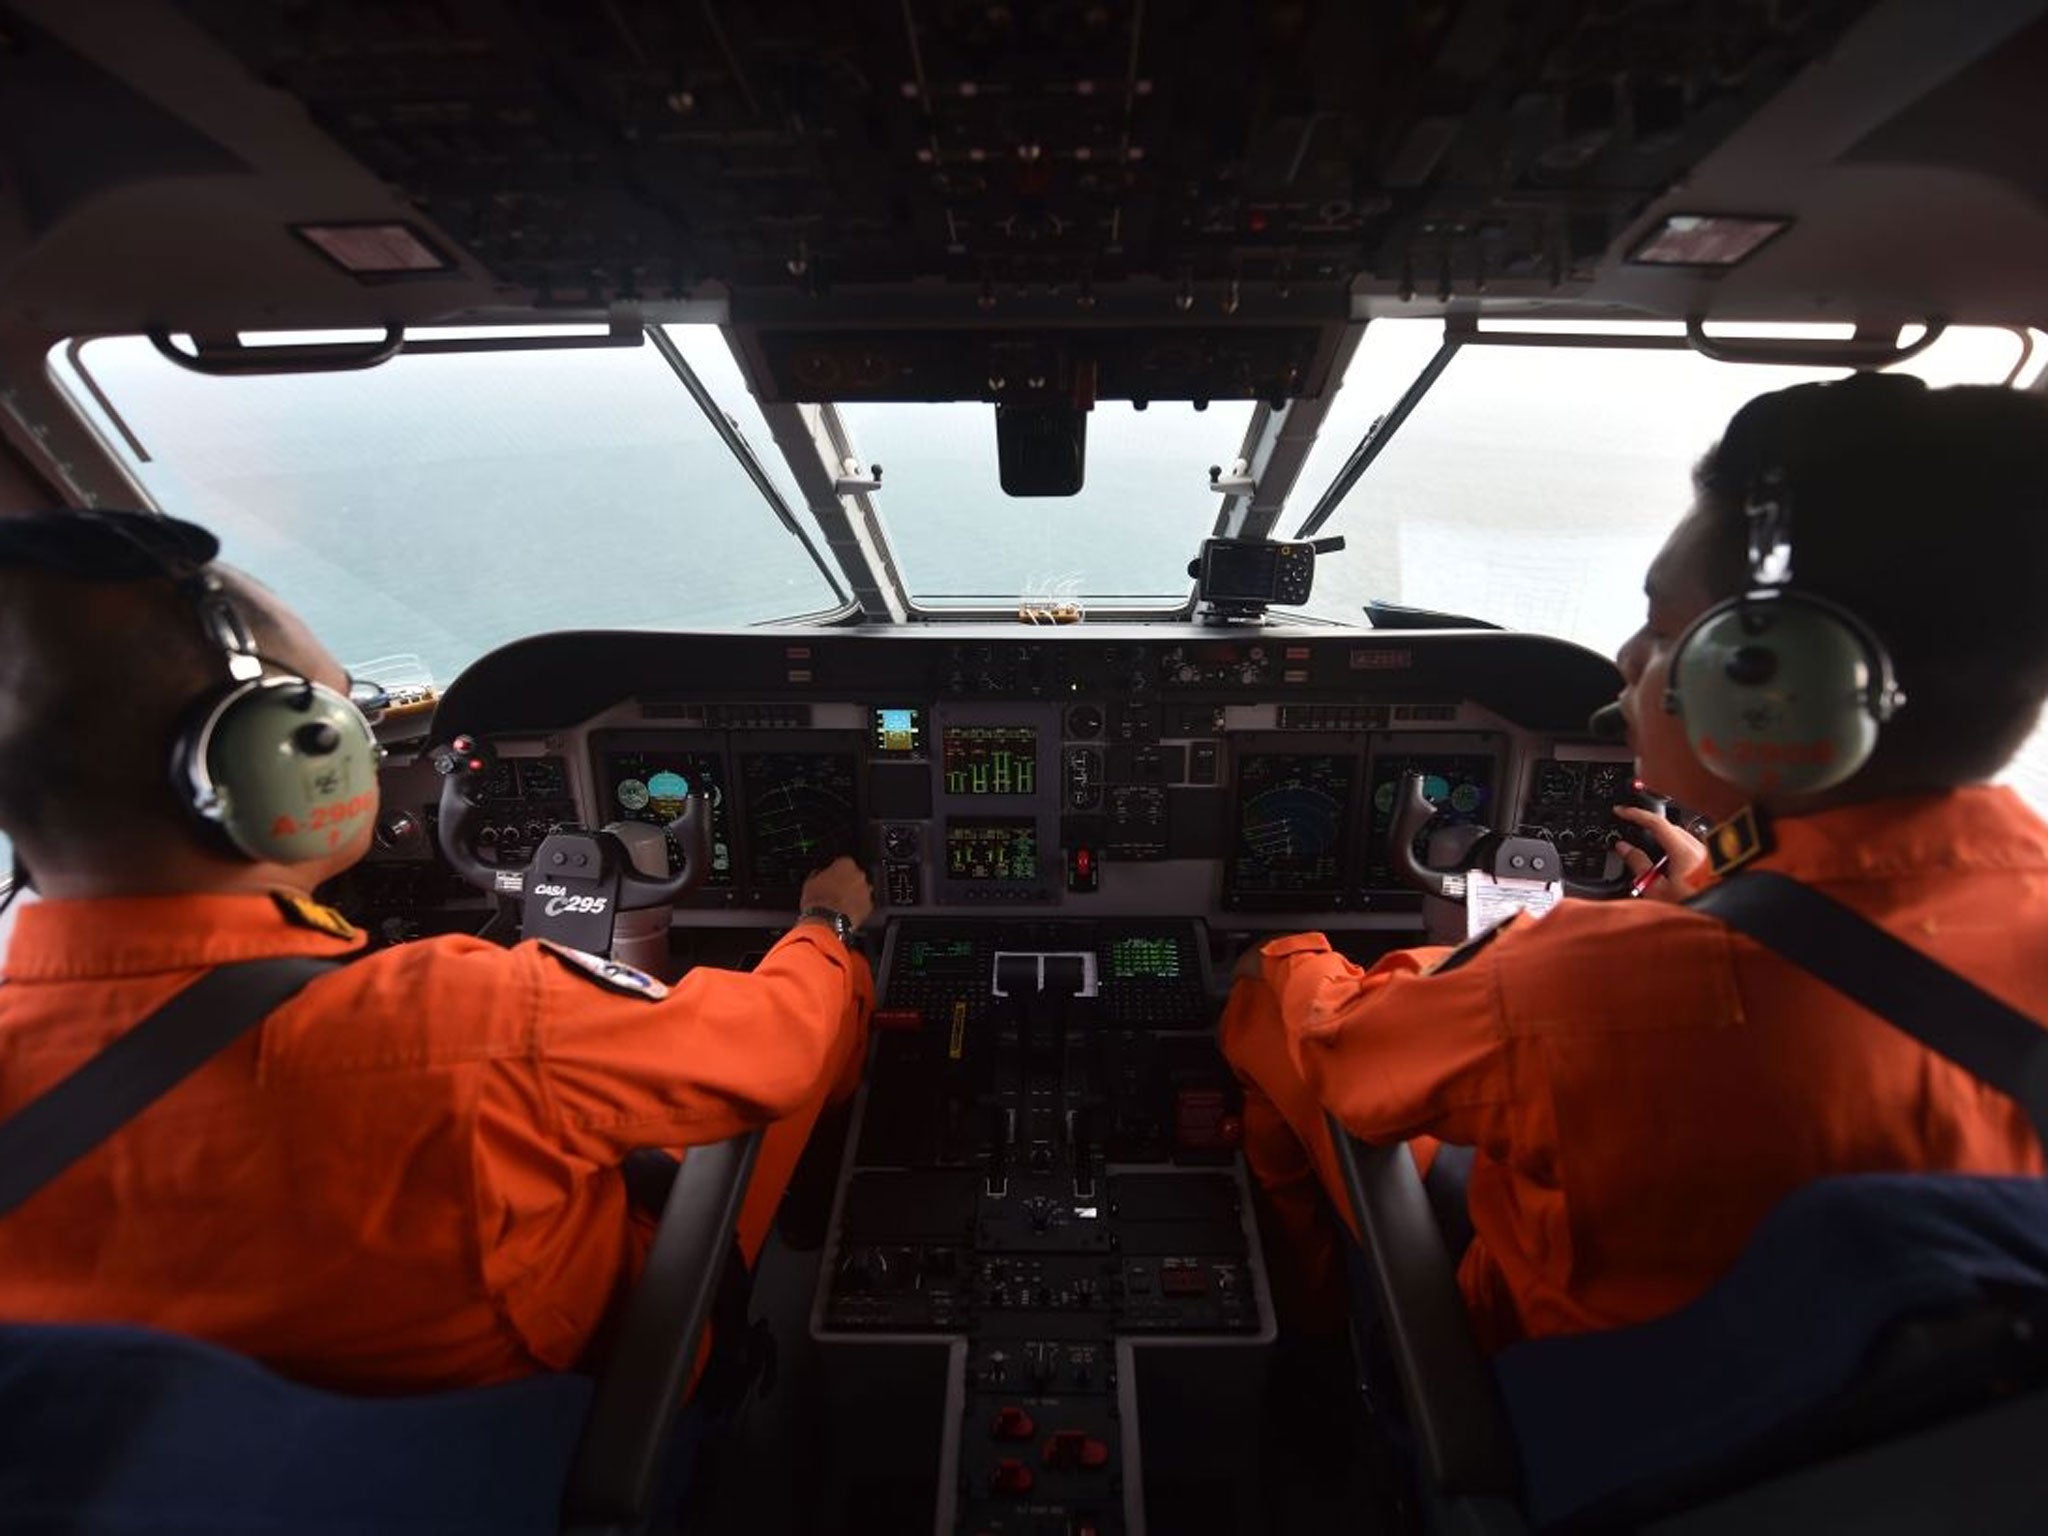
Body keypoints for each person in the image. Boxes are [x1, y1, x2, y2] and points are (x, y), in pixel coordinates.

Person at [1220, 373, 2048, 1353]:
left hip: (1561, 1413)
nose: (1624, 659)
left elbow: (1350, 1053)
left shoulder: (1587, 987)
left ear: (1767, 681)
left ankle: (1322, 1356)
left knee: (1279, 999)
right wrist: (1734, 895)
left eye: (1662, 632)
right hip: (1865, 1442)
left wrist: (1301, 959)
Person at [0, 509, 874, 1393]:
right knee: (821, 1011)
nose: (371, 751)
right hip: (568, 1423)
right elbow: (778, 1043)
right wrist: (825, 926)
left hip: (240, 1459)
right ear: (288, 761)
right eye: (342, 718)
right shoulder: (465, 1020)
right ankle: (818, 1206)